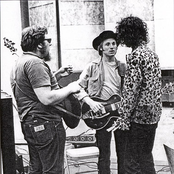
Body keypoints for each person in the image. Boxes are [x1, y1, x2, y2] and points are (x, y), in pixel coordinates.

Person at [10, 25, 81, 174]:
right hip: (46, 124)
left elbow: (34, 89)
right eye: (48, 40)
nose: (50, 44)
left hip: (31, 125)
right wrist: (70, 88)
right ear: (40, 44)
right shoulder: (35, 63)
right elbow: (47, 98)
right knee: (53, 171)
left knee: (37, 169)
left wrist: (58, 75)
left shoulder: (21, 62)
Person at [115, 16, 162, 174]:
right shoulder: (152, 55)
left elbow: (131, 90)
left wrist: (123, 117)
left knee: (131, 163)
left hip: (138, 118)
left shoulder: (135, 57)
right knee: (146, 157)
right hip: (153, 116)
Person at [76, 30, 127, 174]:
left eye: (114, 44)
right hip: (100, 115)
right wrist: (90, 103)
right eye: (108, 44)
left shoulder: (123, 67)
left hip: (119, 114)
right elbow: (77, 88)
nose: (112, 47)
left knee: (123, 153)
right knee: (103, 154)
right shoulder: (92, 66)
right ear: (101, 48)